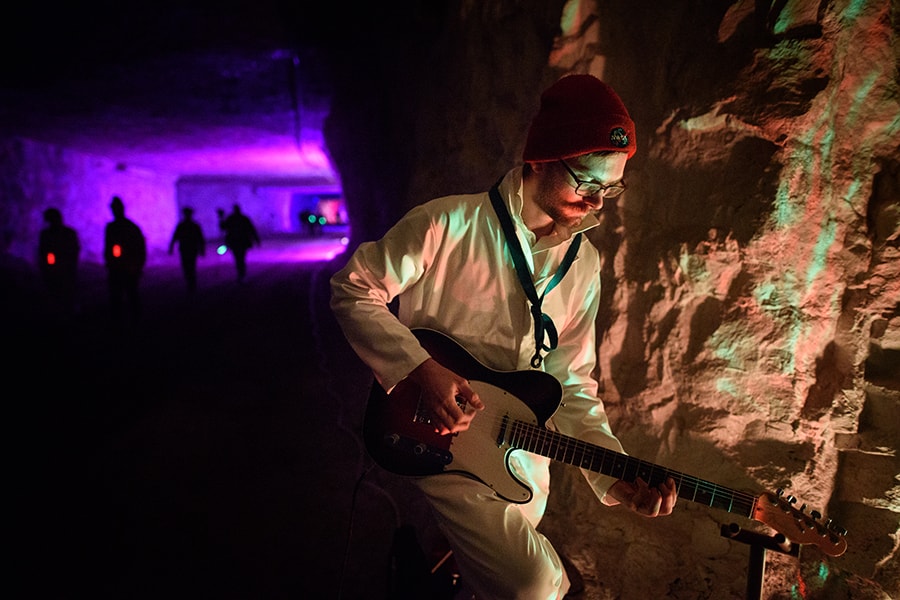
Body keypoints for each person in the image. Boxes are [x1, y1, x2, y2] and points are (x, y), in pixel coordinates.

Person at [330, 74, 677, 599]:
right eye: (587, 183)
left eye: (612, 187)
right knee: (533, 585)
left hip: (521, 464)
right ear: (540, 158)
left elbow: (571, 382)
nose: (598, 203)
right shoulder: (448, 224)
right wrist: (420, 369)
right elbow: (352, 289)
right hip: (440, 444)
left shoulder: (585, 264)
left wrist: (613, 475)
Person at [104, 196, 146, 324]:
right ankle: (121, 321)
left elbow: (140, 248)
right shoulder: (114, 227)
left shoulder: (126, 227)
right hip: (118, 268)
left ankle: (131, 321)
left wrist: (137, 266)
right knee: (120, 296)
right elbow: (108, 247)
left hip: (127, 267)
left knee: (130, 294)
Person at [38, 207, 80, 316]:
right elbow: (43, 252)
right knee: (59, 296)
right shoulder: (68, 233)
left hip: (63, 271)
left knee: (62, 296)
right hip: (59, 271)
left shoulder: (48, 235)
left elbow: (75, 250)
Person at [217, 204, 260, 283]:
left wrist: (221, 218)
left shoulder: (231, 219)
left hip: (235, 242)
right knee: (241, 258)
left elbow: (223, 227)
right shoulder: (243, 218)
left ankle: (241, 274)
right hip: (242, 242)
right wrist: (257, 240)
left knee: (238, 258)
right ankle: (242, 274)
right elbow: (251, 229)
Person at [168, 206, 206, 293]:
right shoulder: (193, 226)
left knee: (188, 266)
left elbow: (175, 237)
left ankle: (191, 284)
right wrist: (202, 250)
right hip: (190, 249)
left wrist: (171, 248)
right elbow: (200, 239)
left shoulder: (183, 226)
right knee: (190, 266)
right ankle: (191, 284)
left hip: (186, 249)